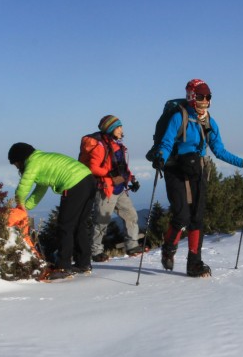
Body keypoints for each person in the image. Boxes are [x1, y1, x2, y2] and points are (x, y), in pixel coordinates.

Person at [150, 79, 243, 277]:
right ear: (192, 97)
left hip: (197, 171)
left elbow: (219, 150)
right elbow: (166, 144)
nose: (205, 101)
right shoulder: (178, 117)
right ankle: (169, 247)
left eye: (208, 97)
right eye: (201, 96)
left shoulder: (209, 121)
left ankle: (194, 263)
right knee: (181, 215)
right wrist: (160, 158)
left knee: (197, 219)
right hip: (175, 169)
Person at [8, 143, 96, 280]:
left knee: (65, 226)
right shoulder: (42, 159)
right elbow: (40, 189)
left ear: (20, 159)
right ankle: (83, 264)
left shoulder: (33, 163)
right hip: (89, 180)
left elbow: (23, 188)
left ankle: (63, 267)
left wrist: (19, 203)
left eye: (15, 164)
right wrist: (25, 207)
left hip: (74, 184)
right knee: (80, 224)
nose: (17, 167)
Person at [79, 115, 143, 262]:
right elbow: (93, 168)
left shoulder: (116, 144)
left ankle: (132, 246)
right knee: (102, 221)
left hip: (119, 188)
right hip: (106, 189)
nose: (121, 130)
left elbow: (121, 166)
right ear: (110, 129)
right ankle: (96, 252)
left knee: (131, 215)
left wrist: (131, 178)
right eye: (118, 127)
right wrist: (110, 175)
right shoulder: (100, 146)